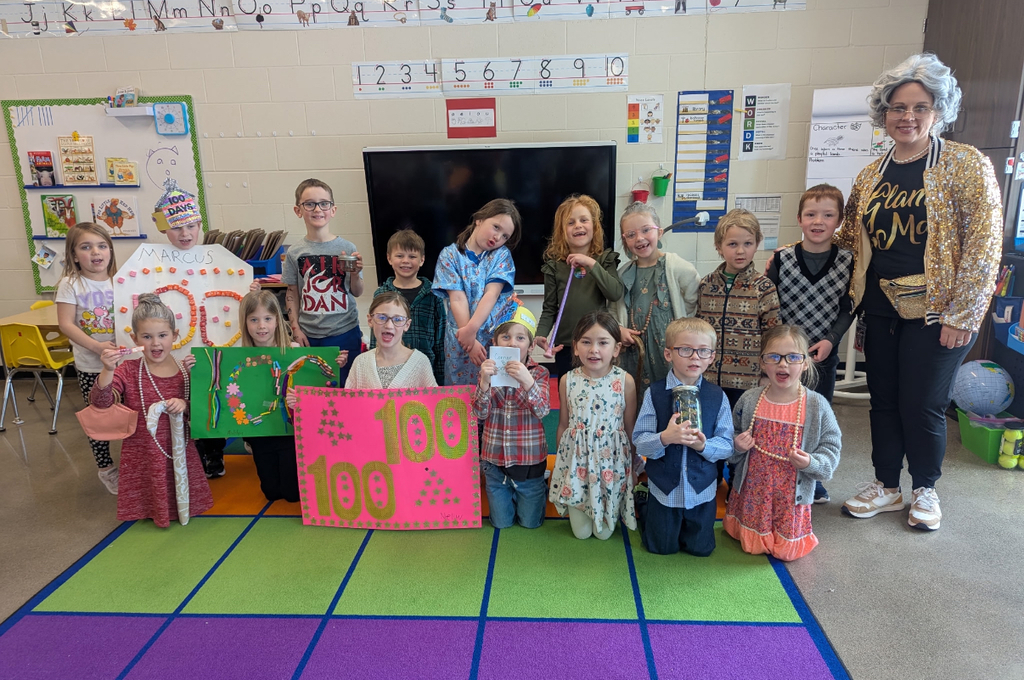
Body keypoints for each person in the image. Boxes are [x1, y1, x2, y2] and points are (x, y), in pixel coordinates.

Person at [837, 54, 1003, 531]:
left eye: (920, 106)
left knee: (923, 403)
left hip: (939, 312)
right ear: (883, 113)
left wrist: (964, 314)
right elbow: (850, 237)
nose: (907, 116)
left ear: (938, 110)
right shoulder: (870, 175)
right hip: (883, 309)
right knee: (883, 399)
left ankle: (926, 488)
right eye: (897, 107)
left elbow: (984, 244)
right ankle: (887, 485)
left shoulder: (965, 165)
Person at [151, 179, 259, 479]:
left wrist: (248, 288)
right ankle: (194, 452)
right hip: (176, 349)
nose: (185, 234)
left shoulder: (217, 260)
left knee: (217, 394)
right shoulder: (153, 262)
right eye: (176, 228)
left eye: (191, 227)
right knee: (188, 400)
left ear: (199, 225)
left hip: (217, 345)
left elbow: (237, 295)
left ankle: (214, 450)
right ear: (163, 229)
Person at [91, 294, 213, 528]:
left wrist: (185, 403)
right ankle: (154, 510)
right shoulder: (128, 369)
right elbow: (101, 402)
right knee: (152, 483)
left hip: (179, 447)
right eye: (147, 337)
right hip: (143, 449)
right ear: (134, 338)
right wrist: (107, 370)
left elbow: (202, 407)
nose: (156, 344)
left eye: (162, 336)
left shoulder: (184, 369)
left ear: (175, 336)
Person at [766, 184, 854, 504]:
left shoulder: (848, 261)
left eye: (828, 215)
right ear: (799, 219)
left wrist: (832, 340)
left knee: (815, 416)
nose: (819, 221)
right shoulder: (782, 258)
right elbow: (770, 304)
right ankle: (778, 472)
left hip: (822, 354)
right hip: (785, 357)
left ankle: (814, 478)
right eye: (811, 214)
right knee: (782, 413)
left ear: (839, 220)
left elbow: (848, 307)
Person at [726, 325, 841, 561]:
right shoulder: (750, 400)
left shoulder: (816, 405)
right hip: (754, 491)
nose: (783, 364)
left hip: (790, 496)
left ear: (806, 363)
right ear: (762, 362)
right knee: (750, 545)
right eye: (774, 357)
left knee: (787, 552)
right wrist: (737, 446)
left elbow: (831, 448)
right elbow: (731, 436)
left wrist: (811, 462)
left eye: (793, 357)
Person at [633, 317, 733, 556]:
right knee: (660, 548)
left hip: (702, 491)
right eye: (685, 349)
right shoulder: (654, 393)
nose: (695, 357)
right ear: (669, 354)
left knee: (701, 550)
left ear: (712, 356)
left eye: (702, 351)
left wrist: (704, 445)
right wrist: (665, 438)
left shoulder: (717, 396)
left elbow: (728, 444)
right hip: (665, 490)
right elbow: (639, 440)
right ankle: (644, 502)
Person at [548, 311, 638, 540]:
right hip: (577, 464)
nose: (594, 350)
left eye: (603, 342)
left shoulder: (625, 381)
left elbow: (630, 429)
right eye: (586, 342)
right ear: (576, 347)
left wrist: (634, 469)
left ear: (616, 349)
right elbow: (563, 425)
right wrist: (561, 465)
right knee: (581, 534)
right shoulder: (568, 380)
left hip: (611, 464)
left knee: (604, 534)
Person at [612, 202, 700, 398]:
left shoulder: (678, 267)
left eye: (646, 230)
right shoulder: (622, 274)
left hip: (668, 351)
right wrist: (620, 329)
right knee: (635, 399)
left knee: (668, 397)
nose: (640, 238)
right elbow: (612, 308)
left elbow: (693, 301)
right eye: (631, 234)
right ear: (625, 240)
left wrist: (682, 329)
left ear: (659, 232)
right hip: (634, 353)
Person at [55, 223, 120, 494]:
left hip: (125, 365)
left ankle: (136, 462)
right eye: (86, 246)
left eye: (102, 245)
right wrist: (97, 347)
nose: (96, 252)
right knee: (98, 418)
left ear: (110, 250)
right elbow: (66, 324)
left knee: (132, 414)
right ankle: (106, 468)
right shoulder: (71, 284)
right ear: (73, 254)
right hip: (91, 366)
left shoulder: (121, 280)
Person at [474, 305, 551, 529]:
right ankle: (510, 492)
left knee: (530, 523)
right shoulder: (488, 371)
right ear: (495, 343)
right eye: (505, 337)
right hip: (495, 462)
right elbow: (479, 413)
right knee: (501, 524)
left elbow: (543, 410)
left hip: (529, 463)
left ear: (531, 344)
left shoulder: (539, 373)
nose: (512, 343)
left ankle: (535, 488)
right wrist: (484, 384)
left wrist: (528, 382)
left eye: (520, 338)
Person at [283, 178, 364, 388]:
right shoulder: (294, 253)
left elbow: (357, 291)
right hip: (309, 335)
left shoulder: (346, 247)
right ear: (298, 210)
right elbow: (292, 293)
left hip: (345, 332)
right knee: (313, 390)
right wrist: (296, 330)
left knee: (345, 388)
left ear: (333, 209)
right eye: (309, 203)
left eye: (324, 203)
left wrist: (356, 274)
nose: (317, 209)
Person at [697, 208, 781, 407]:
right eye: (733, 244)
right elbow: (698, 331)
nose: (741, 251)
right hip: (708, 379)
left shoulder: (764, 287)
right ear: (719, 246)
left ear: (757, 244)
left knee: (742, 433)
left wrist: (767, 374)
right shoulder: (706, 285)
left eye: (748, 243)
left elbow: (772, 335)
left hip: (748, 382)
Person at [432, 199, 521, 386]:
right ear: (479, 219)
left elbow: (492, 294)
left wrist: (472, 332)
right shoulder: (450, 255)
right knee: (459, 397)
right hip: (460, 339)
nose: (498, 237)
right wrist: (469, 340)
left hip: (491, 338)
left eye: (505, 236)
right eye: (496, 227)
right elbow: (457, 298)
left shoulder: (501, 255)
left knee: (492, 388)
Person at [534, 194, 624, 378]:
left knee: (598, 393)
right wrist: (540, 334)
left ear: (594, 227)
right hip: (566, 344)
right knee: (567, 393)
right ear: (562, 231)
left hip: (598, 343)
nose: (578, 226)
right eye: (571, 222)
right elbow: (550, 308)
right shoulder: (554, 266)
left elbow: (615, 293)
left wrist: (591, 264)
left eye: (584, 220)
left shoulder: (605, 260)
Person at [238, 291, 302, 503]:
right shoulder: (239, 357)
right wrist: (194, 366)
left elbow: (311, 381)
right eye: (254, 320)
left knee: (292, 495)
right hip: (260, 433)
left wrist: (334, 362)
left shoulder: (293, 351)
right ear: (245, 323)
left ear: (277, 320)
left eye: (267, 319)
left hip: (288, 432)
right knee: (271, 493)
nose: (261, 326)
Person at [371, 229, 446, 386]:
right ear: (389, 258)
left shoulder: (434, 295)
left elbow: (440, 339)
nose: (406, 261)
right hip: (389, 369)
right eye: (400, 256)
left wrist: (440, 377)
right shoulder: (381, 293)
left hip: (424, 371)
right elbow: (375, 335)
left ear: (422, 260)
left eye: (412, 256)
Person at [344, 292, 437, 389]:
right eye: (382, 317)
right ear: (370, 320)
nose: (389, 326)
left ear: (407, 325)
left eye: (398, 319)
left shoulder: (420, 362)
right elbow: (349, 402)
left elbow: (432, 401)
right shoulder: (360, 363)